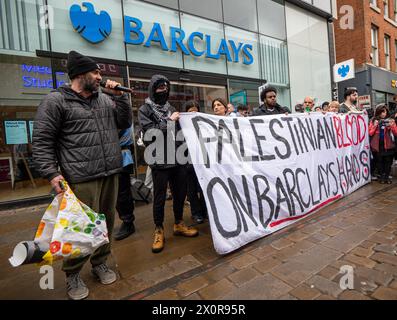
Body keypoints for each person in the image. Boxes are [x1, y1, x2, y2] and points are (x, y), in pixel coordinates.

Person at [32, 50, 132, 300]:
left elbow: (124, 122)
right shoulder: (56, 101)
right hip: (79, 177)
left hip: (110, 172)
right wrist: (51, 173)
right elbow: (42, 141)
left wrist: (120, 99)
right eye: (95, 72)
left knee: (105, 225)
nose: (100, 77)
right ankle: (72, 274)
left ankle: (100, 262)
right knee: (79, 230)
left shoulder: (105, 99)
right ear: (79, 75)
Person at [138, 75, 198, 254]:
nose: (163, 90)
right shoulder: (144, 109)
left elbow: (178, 133)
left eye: (166, 87)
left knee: (180, 193)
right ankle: (159, 230)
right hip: (159, 161)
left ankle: (179, 223)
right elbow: (150, 135)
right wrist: (170, 121)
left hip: (177, 159)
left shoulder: (170, 107)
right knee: (160, 197)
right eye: (159, 87)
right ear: (152, 89)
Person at [182, 100, 208, 224]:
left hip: (201, 162)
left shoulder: (203, 125)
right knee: (191, 190)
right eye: (190, 111)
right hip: (187, 164)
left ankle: (204, 211)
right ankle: (196, 213)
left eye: (195, 110)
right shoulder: (181, 127)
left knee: (203, 189)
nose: (193, 113)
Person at [114, 127, 136, 241]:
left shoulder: (117, 111)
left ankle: (128, 222)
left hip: (121, 154)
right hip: (107, 155)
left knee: (122, 192)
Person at [369, 104, 397, 184]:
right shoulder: (373, 120)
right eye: (381, 112)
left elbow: (396, 133)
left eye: (384, 112)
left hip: (388, 144)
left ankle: (387, 176)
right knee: (379, 161)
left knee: (388, 161)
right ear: (378, 112)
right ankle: (381, 176)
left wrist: (392, 126)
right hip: (377, 145)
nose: (383, 114)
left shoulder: (390, 120)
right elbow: (370, 133)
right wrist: (375, 125)